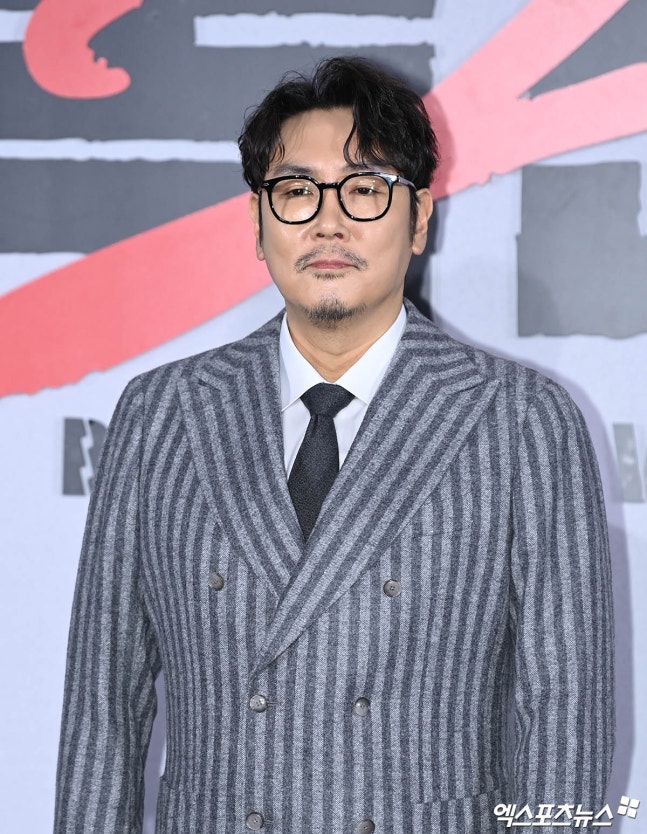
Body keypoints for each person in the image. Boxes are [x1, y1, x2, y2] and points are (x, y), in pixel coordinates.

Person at [53, 57, 614, 834]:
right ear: (257, 223)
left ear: (418, 219)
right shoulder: (163, 414)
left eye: (364, 188)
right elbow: (102, 708)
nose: (328, 222)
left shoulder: (520, 421)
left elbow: (565, 716)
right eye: (295, 191)